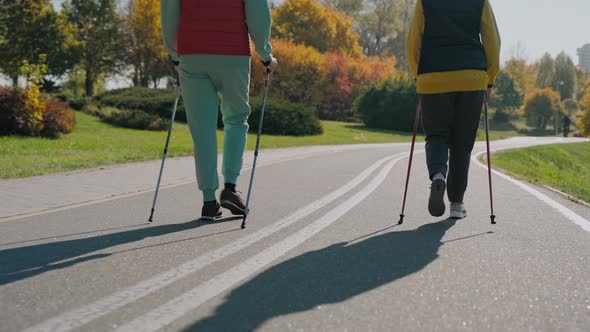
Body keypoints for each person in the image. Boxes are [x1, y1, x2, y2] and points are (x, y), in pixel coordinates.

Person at [160, 0, 277, 220]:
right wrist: (265, 54)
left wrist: (173, 52)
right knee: (235, 119)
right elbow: (257, 12)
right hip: (232, 52)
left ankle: (209, 201)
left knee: (202, 129)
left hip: (192, 54)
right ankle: (230, 188)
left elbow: (169, 11)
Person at [407, 0, 501, 219]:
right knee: (462, 143)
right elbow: (492, 41)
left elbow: (413, 41)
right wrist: (490, 79)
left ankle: (439, 174)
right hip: (471, 77)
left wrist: (417, 74)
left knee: (436, 135)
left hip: (433, 76)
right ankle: (457, 204)